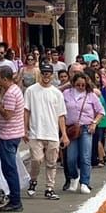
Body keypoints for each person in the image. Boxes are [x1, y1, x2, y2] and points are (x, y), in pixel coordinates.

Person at [24, 63, 69, 201]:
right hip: (35, 132)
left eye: (48, 73)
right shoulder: (31, 91)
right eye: (43, 73)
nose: (46, 76)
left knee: (52, 162)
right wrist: (24, 129)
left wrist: (64, 134)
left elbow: (61, 115)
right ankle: (33, 180)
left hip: (52, 132)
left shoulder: (57, 93)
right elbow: (26, 111)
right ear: (40, 74)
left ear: (52, 75)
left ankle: (49, 188)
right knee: (36, 160)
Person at [62, 71, 105, 194]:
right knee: (70, 158)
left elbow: (101, 111)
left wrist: (94, 123)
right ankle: (74, 176)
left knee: (85, 156)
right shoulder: (66, 93)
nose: (81, 87)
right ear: (73, 83)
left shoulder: (91, 95)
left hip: (86, 128)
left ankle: (85, 182)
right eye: (78, 85)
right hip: (71, 128)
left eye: (83, 85)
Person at [0, 66, 26, 213]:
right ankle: (14, 198)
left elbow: (7, 115)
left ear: (5, 79)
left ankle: (15, 201)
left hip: (9, 135)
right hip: (13, 133)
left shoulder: (11, 93)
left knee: (9, 169)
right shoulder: (12, 90)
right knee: (9, 168)